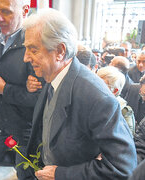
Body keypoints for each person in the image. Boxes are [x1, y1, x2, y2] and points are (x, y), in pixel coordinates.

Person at [23, 8, 137, 180]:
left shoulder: (97, 98)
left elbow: (122, 167)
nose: (26, 57)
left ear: (60, 51)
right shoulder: (51, 75)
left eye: (33, 49)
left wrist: (62, 175)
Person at [0, 0, 43, 179]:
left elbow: (39, 99)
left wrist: (5, 89)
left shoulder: (34, 45)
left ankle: (24, 163)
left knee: (25, 173)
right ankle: (19, 159)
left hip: (24, 126)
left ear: (25, 10)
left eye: (6, 12)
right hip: (0, 120)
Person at [97, 66, 135, 135]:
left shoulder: (123, 111)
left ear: (114, 90)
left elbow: (126, 139)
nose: (96, 86)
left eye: (101, 84)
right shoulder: (89, 101)